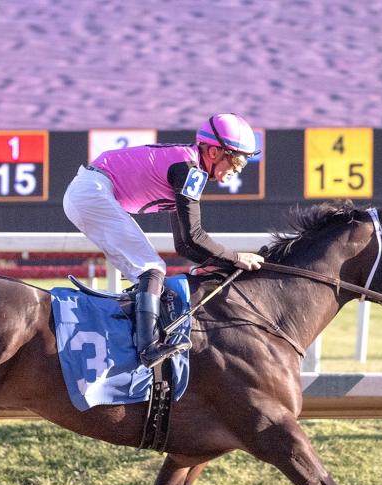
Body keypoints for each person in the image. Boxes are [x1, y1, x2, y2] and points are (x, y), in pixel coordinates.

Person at [63, 113, 265, 369]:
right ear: (213, 152)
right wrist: (236, 258)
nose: (236, 170)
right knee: (151, 268)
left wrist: (219, 263)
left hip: (89, 191)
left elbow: (183, 244)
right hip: (92, 192)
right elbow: (195, 236)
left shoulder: (187, 164)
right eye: (235, 160)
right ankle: (148, 348)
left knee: (149, 271)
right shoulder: (189, 170)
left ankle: (135, 332)